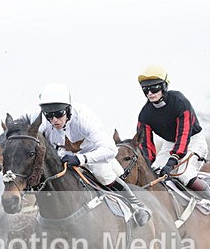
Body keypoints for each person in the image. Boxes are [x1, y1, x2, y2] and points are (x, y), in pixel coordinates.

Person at [38, 83, 150, 226]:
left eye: (59, 114)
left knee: (101, 173)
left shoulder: (84, 118)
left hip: (95, 152)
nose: (54, 120)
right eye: (49, 115)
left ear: (68, 109)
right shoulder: (44, 123)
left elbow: (111, 149)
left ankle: (138, 206)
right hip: (65, 155)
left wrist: (81, 159)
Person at [136, 65, 210, 224]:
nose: (150, 93)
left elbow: (184, 134)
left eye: (154, 88)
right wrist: (149, 163)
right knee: (154, 173)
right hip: (169, 143)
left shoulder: (179, 102)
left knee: (184, 174)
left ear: (164, 86)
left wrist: (172, 161)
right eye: (145, 89)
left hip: (193, 140)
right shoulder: (145, 114)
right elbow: (145, 145)